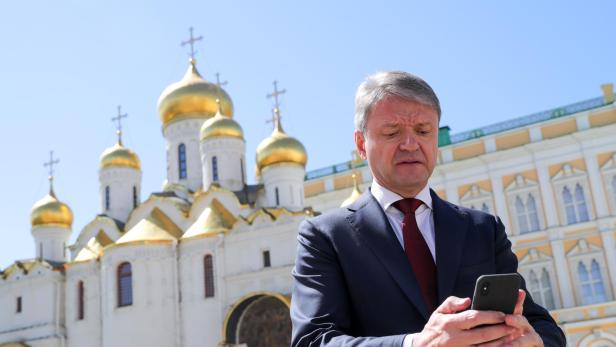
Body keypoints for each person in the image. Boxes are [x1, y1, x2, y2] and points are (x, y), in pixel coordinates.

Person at [290, 71, 566, 346]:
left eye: (423, 131)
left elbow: (542, 325)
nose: (410, 144)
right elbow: (313, 341)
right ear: (361, 144)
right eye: (392, 132)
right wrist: (416, 344)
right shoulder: (326, 236)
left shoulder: (482, 229)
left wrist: (534, 342)